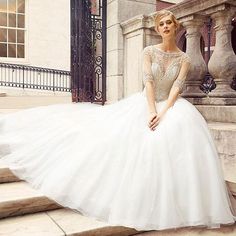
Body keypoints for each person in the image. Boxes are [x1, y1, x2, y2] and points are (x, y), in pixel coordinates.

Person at [0, 9, 235, 231]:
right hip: (147, 102)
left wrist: (164, 113)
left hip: (172, 106)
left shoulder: (185, 58)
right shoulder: (149, 52)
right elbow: (149, 82)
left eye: (169, 23)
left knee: (179, 133)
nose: (165, 26)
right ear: (158, 28)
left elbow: (177, 86)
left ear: (175, 26)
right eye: (161, 24)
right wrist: (152, 110)